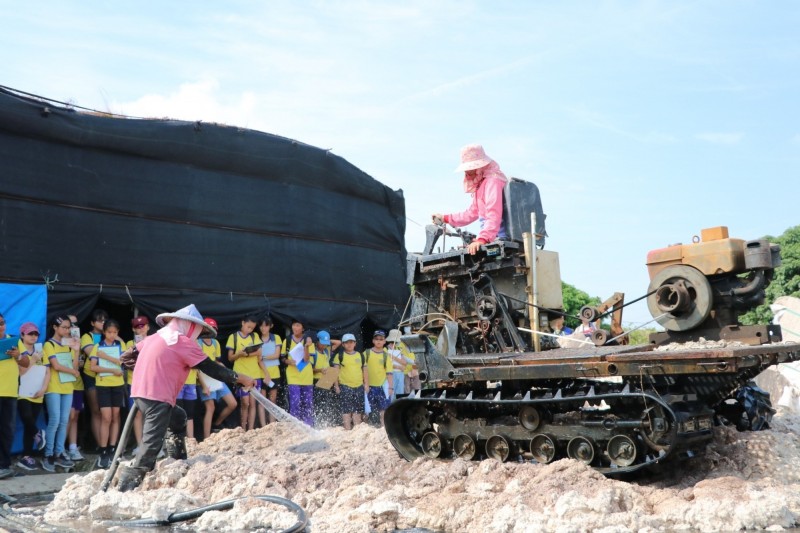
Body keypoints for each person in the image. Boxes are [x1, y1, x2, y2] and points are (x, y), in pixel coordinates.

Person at [116, 304, 256, 492]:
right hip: (157, 395)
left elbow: (126, 357)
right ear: (189, 325)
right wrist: (239, 378)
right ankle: (126, 486)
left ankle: (177, 461)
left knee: (178, 418)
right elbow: (210, 367)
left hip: (142, 393)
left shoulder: (155, 337)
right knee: (151, 445)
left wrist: (149, 369)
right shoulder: (180, 341)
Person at [432, 144, 508, 255]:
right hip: (491, 237)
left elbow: (493, 213)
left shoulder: (493, 181)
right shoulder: (482, 185)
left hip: (499, 236)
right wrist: (445, 218)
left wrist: (482, 239)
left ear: (479, 167)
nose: (466, 172)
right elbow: (471, 213)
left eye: (470, 168)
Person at [41, 315, 80, 472]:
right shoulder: (49, 345)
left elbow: (76, 366)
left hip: (67, 387)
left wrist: (76, 351)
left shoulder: (69, 345)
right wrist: (73, 371)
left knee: (64, 420)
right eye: (63, 327)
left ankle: (59, 452)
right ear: (55, 328)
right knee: (55, 420)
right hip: (53, 387)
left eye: (68, 327)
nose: (67, 330)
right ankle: (48, 454)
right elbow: (55, 366)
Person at [88, 319, 126, 468]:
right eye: (109, 332)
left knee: (116, 416)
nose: (112, 335)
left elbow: (123, 362)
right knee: (106, 417)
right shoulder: (97, 346)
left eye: (115, 332)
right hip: (103, 384)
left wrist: (106, 358)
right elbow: (93, 367)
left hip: (117, 384)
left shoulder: (120, 345)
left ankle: (113, 447)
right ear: (104, 332)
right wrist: (111, 369)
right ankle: (103, 450)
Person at [16, 322, 49, 471]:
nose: (33, 336)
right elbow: (21, 372)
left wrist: (43, 389)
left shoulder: (41, 349)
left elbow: (48, 371)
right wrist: (33, 360)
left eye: (36, 334)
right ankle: (39, 433)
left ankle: (26, 456)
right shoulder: (18, 350)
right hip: (22, 392)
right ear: (22, 335)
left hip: (38, 392)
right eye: (30, 333)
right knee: (27, 418)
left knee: (30, 424)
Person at [196, 317, 237, 438]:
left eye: (213, 329)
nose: (211, 331)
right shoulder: (197, 343)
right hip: (204, 379)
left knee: (232, 404)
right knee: (210, 407)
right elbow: (197, 366)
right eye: (209, 328)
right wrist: (203, 385)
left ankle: (217, 424)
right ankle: (207, 438)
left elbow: (216, 361)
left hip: (216, 377)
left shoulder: (216, 343)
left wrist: (226, 371)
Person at [0, 313, 28, 479]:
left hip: (10, 392)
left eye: (3, 323)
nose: (1, 326)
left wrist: (17, 355)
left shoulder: (14, 341)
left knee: (7, 430)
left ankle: (5, 465)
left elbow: (26, 362)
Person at [226, 314, 262, 431]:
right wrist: (239, 355)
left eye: (252, 328)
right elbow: (230, 358)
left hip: (255, 373)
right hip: (241, 375)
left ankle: (250, 429)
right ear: (242, 323)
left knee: (253, 403)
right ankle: (243, 428)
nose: (250, 330)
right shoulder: (233, 337)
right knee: (244, 403)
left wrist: (245, 354)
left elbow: (259, 352)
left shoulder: (255, 336)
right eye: (248, 327)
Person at [80, 308, 108, 451]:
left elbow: (121, 350)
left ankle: (109, 445)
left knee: (108, 412)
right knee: (96, 411)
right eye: (99, 320)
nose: (102, 323)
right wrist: (108, 352)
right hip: (91, 376)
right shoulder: (86, 336)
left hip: (108, 378)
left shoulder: (110, 335)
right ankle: (99, 445)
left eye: (104, 320)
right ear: (92, 322)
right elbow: (92, 353)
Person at [282, 319, 315, 427]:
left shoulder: (309, 341)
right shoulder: (287, 340)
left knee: (307, 403)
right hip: (293, 376)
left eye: (298, 325)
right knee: (295, 402)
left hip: (306, 376)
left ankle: (307, 426)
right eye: (294, 325)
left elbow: (306, 360)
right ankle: (294, 427)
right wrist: (288, 361)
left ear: (303, 328)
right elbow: (282, 358)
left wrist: (306, 346)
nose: (295, 328)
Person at [333, 333, 366, 430]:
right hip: (345, 386)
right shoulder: (339, 356)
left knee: (358, 410)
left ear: (355, 343)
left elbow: (365, 370)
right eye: (346, 343)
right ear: (343, 344)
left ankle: (357, 430)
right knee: (346, 410)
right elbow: (335, 372)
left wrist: (366, 384)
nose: (349, 344)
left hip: (359, 386)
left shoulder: (360, 355)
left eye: (351, 342)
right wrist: (336, 386)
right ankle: (347, 430)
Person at [65, 314, 85, 462]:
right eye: (70, 324)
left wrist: (78, 350)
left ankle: (73, 447)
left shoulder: (78, 341)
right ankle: (60, 449)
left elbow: (79, 365)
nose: (73, 327)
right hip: (64, 384)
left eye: (75, 324)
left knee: (75, 416)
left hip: (77, 383)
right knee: (67, 417)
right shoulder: (61, 342)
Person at [364, 330, 393, 427]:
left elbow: (389, 373)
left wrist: (390, 387)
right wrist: (365, 384)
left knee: (384, 411)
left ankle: (383, 430)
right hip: (369, 387)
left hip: (382, 387)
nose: (379, 341)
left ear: (385, 341)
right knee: (366, 411)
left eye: (381, 339)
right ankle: (366, 431)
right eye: (376, 339)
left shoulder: (386, 356)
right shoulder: (366, 353)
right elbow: (361, 370)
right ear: (373, 340)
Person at [256, 316, 282, 426]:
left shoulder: (276, 337)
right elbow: (258, 359)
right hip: (261, 373)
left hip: (275, 372)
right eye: (261, 326)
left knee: (273, 399)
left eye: (266, 325)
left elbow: (277, 355)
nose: (263, 328)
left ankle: (272, 424)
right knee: (262, 400)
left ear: (271, 326)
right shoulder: (257, 339)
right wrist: (266, 374)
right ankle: (263, 426)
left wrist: (264, 357)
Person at [312, 330, 339, 427]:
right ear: (317, 341)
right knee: (317, 403)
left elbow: (338, 343)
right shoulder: (313, 352)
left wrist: (327, 340)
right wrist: (320, 370)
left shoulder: (327, 351)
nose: (323, 346)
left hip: (327, 380)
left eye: (325, 344)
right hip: (316, 380)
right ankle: (316, 422)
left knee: (326, 403)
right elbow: (310, 369)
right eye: (322, 343)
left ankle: (325, 422)